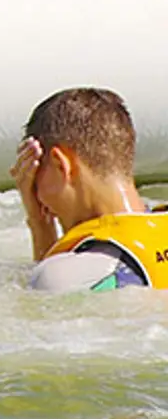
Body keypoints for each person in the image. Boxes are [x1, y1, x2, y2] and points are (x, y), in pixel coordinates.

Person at [11, 86, 168, 291]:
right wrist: (43, 227)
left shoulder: (72, 277)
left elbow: (45, 309)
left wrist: (38, 224)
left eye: (34, 178)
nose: (36, 196)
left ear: (61, 165)